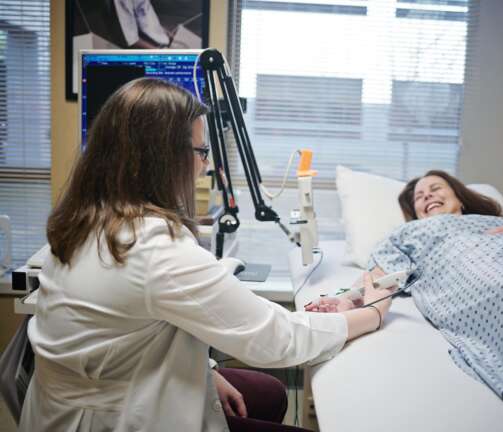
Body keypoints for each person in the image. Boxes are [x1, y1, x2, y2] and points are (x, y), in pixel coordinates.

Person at [18, 78, 392, 432]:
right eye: (201, 151)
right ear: (162, 159)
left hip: (83, 396)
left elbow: (124, 332)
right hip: (116, 416)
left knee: (269, 393)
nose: (207, 164)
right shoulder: (153, 248)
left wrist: (207, 370)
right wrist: (370, 314)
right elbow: (276, 339)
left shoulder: (83, 220)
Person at [307, 170, 503, 426]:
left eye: (435, 188)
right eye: (419, 197)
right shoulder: (409, 234)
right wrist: (343, 299)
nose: (427, 196)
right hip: (498, 276)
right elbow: (377, 279)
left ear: (459, 197)